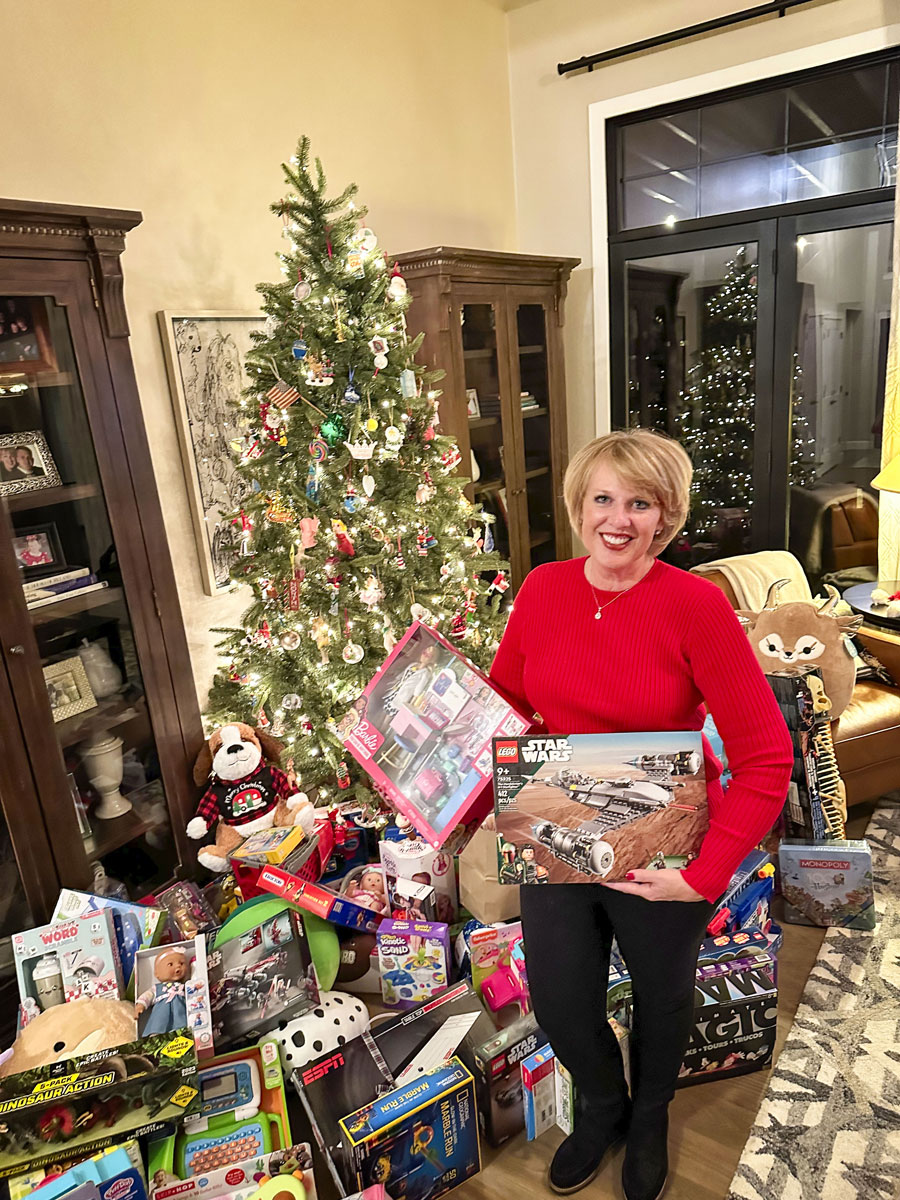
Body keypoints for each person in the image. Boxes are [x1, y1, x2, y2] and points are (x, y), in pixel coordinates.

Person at [489, 429, 792, 1200]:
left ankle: (649, 1113)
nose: (617, 518)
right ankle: (602, 1105)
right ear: (578, 505)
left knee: (663, 998)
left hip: (666, 843)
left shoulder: (696, 606)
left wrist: (705, 874)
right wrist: (476, 779)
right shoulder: (544, 589)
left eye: (640, 502)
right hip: (557, 825)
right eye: (602, 498)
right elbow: (508, 706)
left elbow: (765, 758)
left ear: (666, 516)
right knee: (558, 999)